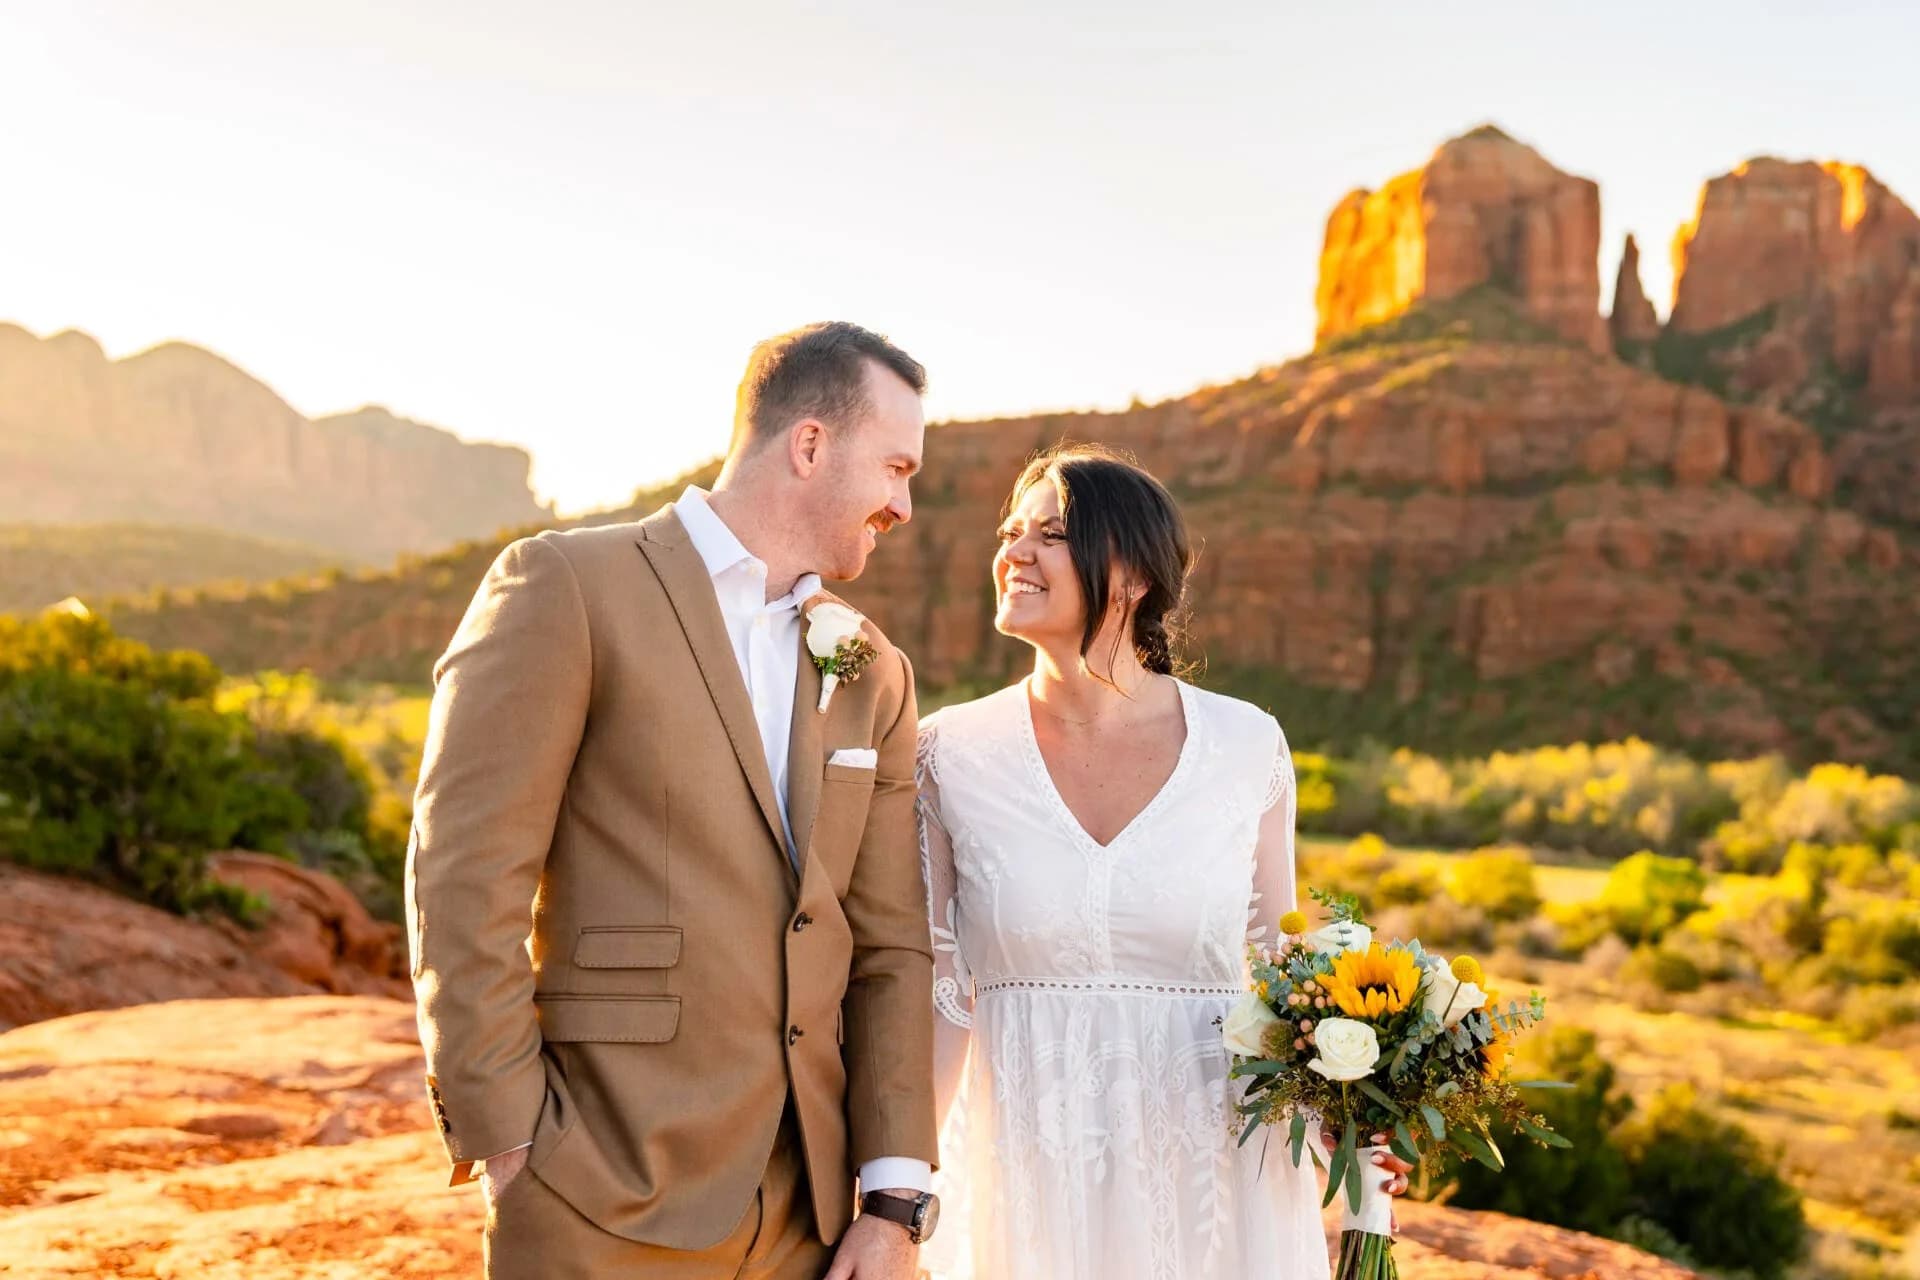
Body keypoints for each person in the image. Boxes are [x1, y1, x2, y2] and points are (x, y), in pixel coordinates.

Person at [408, 321, 943, 1279]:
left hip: (809, 1222)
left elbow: (892, 943)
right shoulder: (567, 585)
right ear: (810, 443)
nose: (905, 503)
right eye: (896, 467)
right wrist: (509, 1141)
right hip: (599, 1186)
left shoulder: (875, 671)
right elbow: (465, 874)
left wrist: (894, 1204)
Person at [915, 444, 1410, 1279]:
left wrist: (1350, 1116)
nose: (1015, 553)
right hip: (1023, 1176)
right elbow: (938, 993)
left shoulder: (1248, 744)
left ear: (1135, 574)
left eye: (1051, 534)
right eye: (1010, 531)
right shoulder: (947, 751)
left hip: (1220, 1184)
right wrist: (904, 1195)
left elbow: (1279, 974)